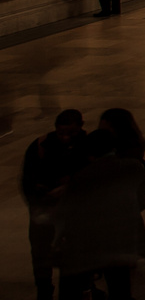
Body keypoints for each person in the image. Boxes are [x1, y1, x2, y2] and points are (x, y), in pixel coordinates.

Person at [51, 125, 145, 300]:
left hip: (91, 239)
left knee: (75, 286)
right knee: (120, 286)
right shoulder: (134, 167)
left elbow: (69, 211)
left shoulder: (84, 176)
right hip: (122, 236)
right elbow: (140, 196)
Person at [22, 109, 88, 300]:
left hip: (73, 215)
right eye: (61, 133)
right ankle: (44, 288)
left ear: (81, 127)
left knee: (73, 254)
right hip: (44, 212)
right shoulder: (41, 146)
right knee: (41, 252)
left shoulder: (87, 146)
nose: (66, 138)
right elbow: (27, 181)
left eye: (71, 133)